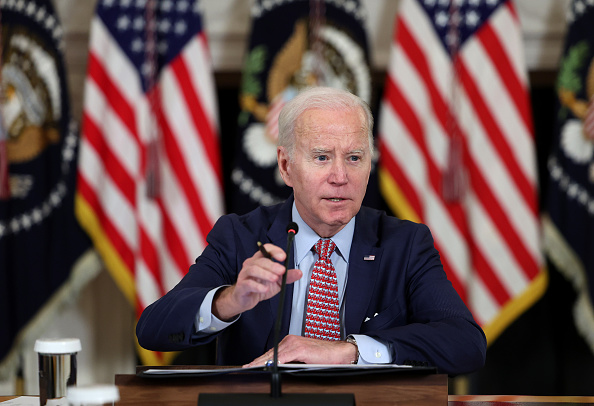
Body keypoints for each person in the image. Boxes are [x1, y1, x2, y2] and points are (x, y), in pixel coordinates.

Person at [136, 87, 486, 375]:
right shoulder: (240, 236)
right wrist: (231, 300)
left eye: (354, 158)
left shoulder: (404, 244)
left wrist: (347, 351)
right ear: (286, 166)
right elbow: (152, 328)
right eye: (321, 157)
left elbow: (465, 344)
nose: (340, 176)